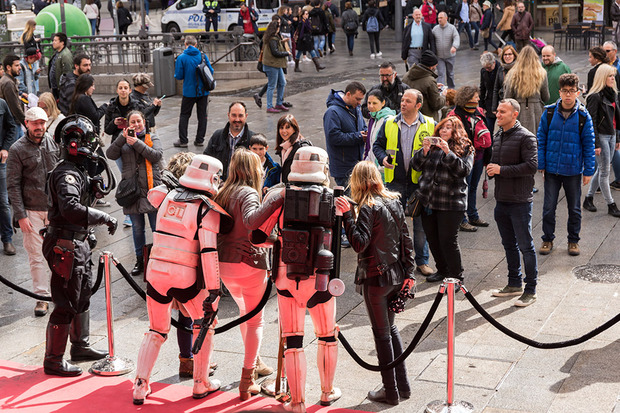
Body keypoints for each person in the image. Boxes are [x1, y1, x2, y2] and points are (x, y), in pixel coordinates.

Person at [132, 155, 230, 404]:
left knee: (156, 329)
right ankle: (200, 382)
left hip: (155, 273)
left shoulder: (164, 195)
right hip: (184, 276)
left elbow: (153, 194)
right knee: (205, 323)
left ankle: (140, 386)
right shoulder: (206, 209)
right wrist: (214, 290)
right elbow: (209, 253)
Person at [254, 146, 342, 412]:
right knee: (327, 336)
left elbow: (256, 234)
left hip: (286, 280)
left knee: (294, 340)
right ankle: (327, 392)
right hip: (321, 280)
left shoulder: (279, 196)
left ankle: (298, 401)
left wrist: (279, 241)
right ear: (324, 168)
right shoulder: (335, 197)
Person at [42, 115, 117, 376]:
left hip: (76, 241)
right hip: (65, 244)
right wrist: (103, 217)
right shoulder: (66, 174)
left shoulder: (77, 171)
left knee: (82, 295)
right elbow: (71, 209)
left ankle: (80, 346)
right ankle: (53, 360)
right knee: (65, 301)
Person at [336, 161, 414, 406]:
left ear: (357, 182)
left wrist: (346, 215)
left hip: (376, 278)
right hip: (396, 274)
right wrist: (410, 272)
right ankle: (403, 387)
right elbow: (405, 238)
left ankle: (390, 391)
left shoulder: (368, 206)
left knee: (382, 335)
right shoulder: (393, 201)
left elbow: (359, 243)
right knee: (391, 330)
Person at [214, 149, 284, 400]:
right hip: (248, 263)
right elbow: (253, 222)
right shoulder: (248, 192)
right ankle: (247, 378)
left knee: (246, 314)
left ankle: (255, 363)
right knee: (254, 320)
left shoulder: (224, 191)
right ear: (252, 170)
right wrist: (276, 198)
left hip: (225, 265)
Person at [373, 89, 436, 277]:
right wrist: (382, 158)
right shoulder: (390, 122)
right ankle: (396, 260)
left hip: (419, 183)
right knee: (393, 223)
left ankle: (422, 262)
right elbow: (377, 145)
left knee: (420, 225)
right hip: (395, 181)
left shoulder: (431, 124)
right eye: (402, 100)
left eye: (408, 101)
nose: (403, 103)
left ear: (418, 105)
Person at [536, 73, 596, 256]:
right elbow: (541, 138)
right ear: (560, 92)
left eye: (572, 91)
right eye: (565, 91)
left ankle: (573, 241)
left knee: (575, 209)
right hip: (553, 170)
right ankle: (547, 239)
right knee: (548, 208)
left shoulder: (584, 116)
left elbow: (589, 144)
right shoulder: (549, 112)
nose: (568, 95)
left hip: (573, 170)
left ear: (578, 92)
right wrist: (542, 163)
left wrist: (588, 171)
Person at [488, 99, 538, 307]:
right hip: (502, 199)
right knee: (509, 244)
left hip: (519, 201)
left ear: (514, 114)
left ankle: (531, 289)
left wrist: (501, 170)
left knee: (526, 246)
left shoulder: (526, 137)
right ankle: (514, 283)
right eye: (497, 111)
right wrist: (492, 170)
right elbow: (497, 163)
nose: (498, 115)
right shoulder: (498, 135)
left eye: (502, 112)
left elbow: (532, 166)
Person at [6, 107, 56, 315]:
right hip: (31, 211)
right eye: (35, 123)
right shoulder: (17, 149)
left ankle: (58, 294)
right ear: (26, 123)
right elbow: (13, 185)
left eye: (42, 123)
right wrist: (21, 216)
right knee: (36, 256)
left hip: (54, 210)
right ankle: (42, 297)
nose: (39, 127)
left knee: (58, 255)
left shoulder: (52, 141)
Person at [412, 116, 474, 282]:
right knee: (432, 239)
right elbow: (415, 165)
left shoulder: (465, 147)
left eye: (448, 128)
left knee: (448, 240)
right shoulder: (432, 147)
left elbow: (464, 171)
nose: (443, 131)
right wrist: (424, 151)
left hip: (451, 203)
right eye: (441, 128)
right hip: (429, 202)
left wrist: (448, 152)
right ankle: (442, 270)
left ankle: (456, 275)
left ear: (456, 131)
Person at [106, 110, 162, 276]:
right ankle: (140, 260)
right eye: (133, 122)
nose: (136, 125)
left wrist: (136, 142)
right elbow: (110, 154)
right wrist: (122, 138)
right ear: (128, 124)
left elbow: (156, 156)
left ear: (144, 122)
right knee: (137, 229)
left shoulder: (152, 138)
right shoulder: (123, 141)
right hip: (132, 192)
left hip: (151, 189)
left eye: (139, 121)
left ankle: (160, 259)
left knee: (156, 228)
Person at [448, 86, 492, 232]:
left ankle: (473, 215)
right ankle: (462, 219)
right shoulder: (454, 116)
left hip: (478, 157)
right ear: (467, 98)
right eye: (475, 97)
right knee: (463, 189)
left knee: (472, 187)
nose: (478, 99)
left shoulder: (477, 112)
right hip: (464, 158)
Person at [583, 64, 620, 217]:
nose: (613, 78)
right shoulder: (595, 97)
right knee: (605, 171)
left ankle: (588, 198)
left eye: (613, 75)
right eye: (610, 76)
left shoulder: (612, 94)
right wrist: (596, 143)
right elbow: (591, 122)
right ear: (602, 77)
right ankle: (611, 205)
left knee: (602, 169)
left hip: (611, 135)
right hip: (602, 137)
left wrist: (617, 137)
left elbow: (615, 119)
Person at [323, 81, 367, 189]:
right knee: (350, 201)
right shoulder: (332, 112)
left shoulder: (355, 108)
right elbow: (334, 137)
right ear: (348, 94)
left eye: (361, 99)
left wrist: (366, 132)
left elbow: (363, 126)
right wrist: (358, 136)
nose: (360, 102)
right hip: (343, 169)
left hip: (356, 165)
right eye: (357, 99)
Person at [174, 36, 213, 148]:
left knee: (184, 115)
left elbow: (179, 76)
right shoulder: (202, 56)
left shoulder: (181, 58)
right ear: (195, 44)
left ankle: (183, 140)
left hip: (188, 92)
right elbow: (211, 70)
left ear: (185, 44)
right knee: (202, 116)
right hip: (203, 92)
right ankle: (199, 140)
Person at [504, 46, 549, 135]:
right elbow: (546, 97)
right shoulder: (541, 73)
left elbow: (507, 97)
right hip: (536, 111)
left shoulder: (512, 74)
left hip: (518, 112)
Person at [204, 101, 255, 181]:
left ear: (246, 116)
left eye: (240, 116)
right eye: (234, 115)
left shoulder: (253, 139)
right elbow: (206, 160)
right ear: (228, 115)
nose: (237, 119)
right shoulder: (217, 136)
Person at [402, 50, 446, 119]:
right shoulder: (430, 81)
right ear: (431, 67)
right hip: (426, 120)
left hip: (408, 117)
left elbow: (419, 85)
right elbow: (436, 104)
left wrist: (434, 87)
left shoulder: (406, 76)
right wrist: (443, 96)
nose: (436, 67)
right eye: (435, 65)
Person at [0, 96, 18, 257]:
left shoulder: (2, 104)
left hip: (0, 160)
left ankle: (7, 239)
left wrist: (5, 148)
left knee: (3, 202)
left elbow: (12, 127)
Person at [262, 20, 291, 114]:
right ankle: (269, 106)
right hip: (271, 64)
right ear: (276, 29)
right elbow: (275, 52)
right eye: (279, 27)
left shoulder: (273, 37)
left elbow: (275, 47)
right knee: (271, 85)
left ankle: (279, 103)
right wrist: (286, 53)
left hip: (276, 64)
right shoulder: (272, 39)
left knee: (282, 82)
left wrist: (282, 41)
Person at [104, 79, 143, 145]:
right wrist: (114, 123)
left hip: (133, 141)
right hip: (117, 142)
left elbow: (142, 127)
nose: (123, 90)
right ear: (117, 91)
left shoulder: (137, 106)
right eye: (120, 88)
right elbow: (107, 131)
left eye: (125, 88)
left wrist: (133, 124)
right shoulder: (111, 107)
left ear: (130, 90)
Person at [276, 113, 311, 184]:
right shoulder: (283, 148)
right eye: (281, 128)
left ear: (294, 129)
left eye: (287, 127)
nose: (284, 131)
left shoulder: (302, 148)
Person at [365, 90, 395, 165]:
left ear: (383, 103)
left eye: (374, 103)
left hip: (383, 166)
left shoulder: (388, 119)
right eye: (369, 103)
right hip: (373, 165)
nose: (371, 106)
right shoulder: (374, 118)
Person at [432, 12, 459, 89]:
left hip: (450, 56)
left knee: (450, 73)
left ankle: (451, 89)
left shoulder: (452, 28)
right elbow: (431, 40)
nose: (439, 20)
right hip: (439, 56)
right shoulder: (435, 29)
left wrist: (454, 46)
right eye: (438, 18)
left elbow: (456, 38)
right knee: (441, 73)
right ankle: (441, 90)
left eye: (441, 18)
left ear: (446, 18)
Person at [0, 55, 25, 129]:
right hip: (12, 123)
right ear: (8, 67)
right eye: (16, 65)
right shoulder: (8, 83)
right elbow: (14, 107)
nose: (20, 67)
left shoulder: (9, 80)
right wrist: (26, 123)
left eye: (19, 65)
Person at [492, 45, 518, 112]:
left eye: (510, 54)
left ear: (514, 55)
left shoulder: (519, 69)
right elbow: (496, 88)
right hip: (503, 102)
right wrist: (494, 107)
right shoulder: (501, 69)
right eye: (505, 54)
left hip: (515, 104)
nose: (507, 56)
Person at [48, 33, 73, 100]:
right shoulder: (58, 53)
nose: (53, 42)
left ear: (62, 43)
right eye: (53, 40)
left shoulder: (65, 55)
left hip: (61, 89)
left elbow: (67, 73)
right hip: (55, 87)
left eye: (55, 41)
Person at [480, 51, 499, 132]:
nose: (487, 70)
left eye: (489, 67)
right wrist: (481, 106)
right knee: (488, 129)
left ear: (494, 63)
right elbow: (482, 88)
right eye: (486, 68)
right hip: (489, 103)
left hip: (500, 101)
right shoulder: (483, 71)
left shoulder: (501, 69)